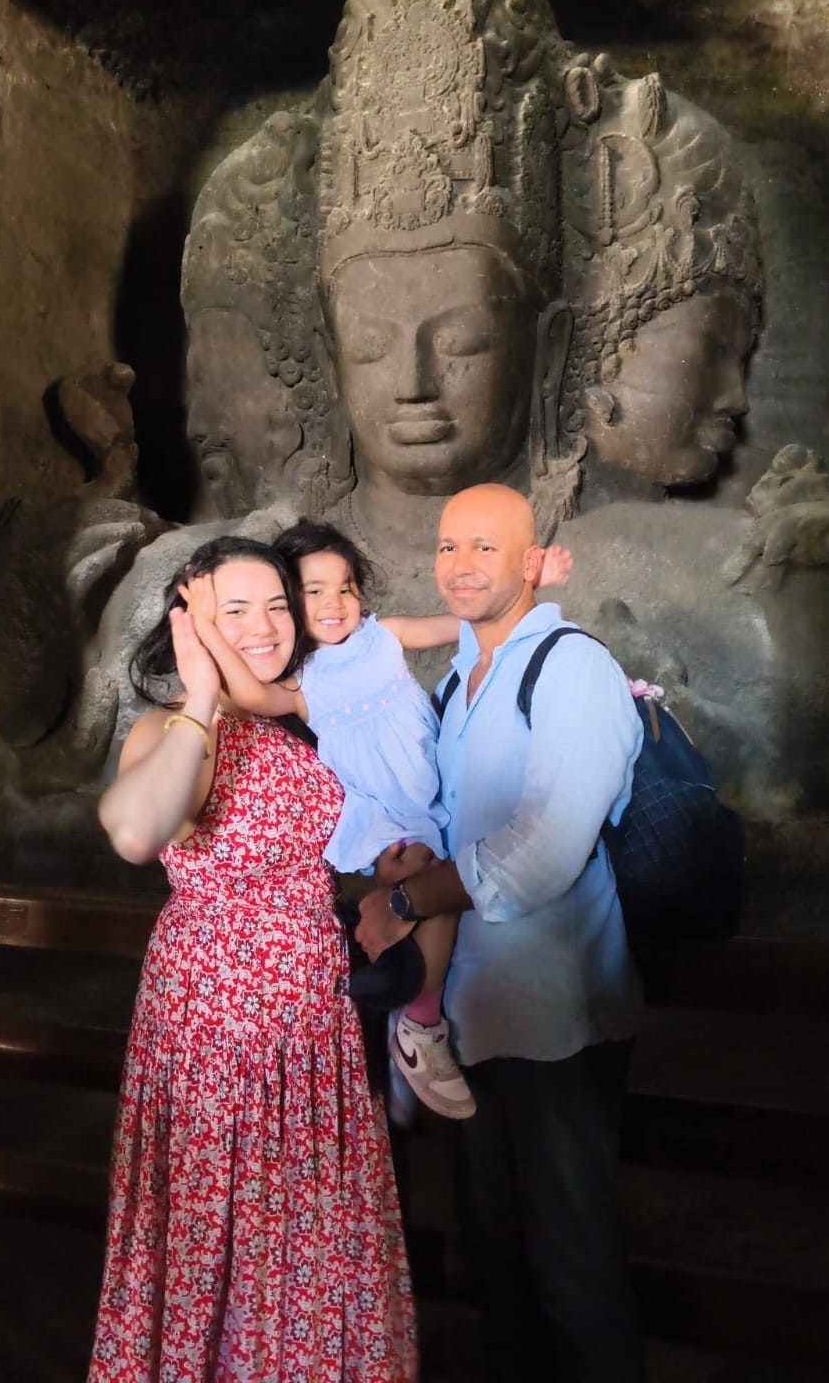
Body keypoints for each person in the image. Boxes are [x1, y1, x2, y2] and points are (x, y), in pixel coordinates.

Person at [88, 534, 416, 1383]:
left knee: (310, 1236)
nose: (266, 624)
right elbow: (132, 830)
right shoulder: (176, 729)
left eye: (277, 603)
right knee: (219, 1233)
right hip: (214, 1029)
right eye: (235, 609)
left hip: (313, 1033)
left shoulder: (301, 717)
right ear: (189, 618)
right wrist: (200, 693)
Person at [355, 484, 647, 1383]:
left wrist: (407, 904)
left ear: (531, 561)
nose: (461, 565)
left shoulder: (570, 667)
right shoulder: (458, 677)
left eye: (485, 547)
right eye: (447, 548)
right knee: (499, 1262)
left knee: (573, 1264)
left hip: (554, 1018)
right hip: (470, 1017)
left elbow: (548, 847)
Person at [178, 519, 572, 1124]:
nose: (334, 603)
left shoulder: (383, 637)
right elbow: (245, 695)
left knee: (437, 891)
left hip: (429, 798)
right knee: (428, 880)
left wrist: (527, 587)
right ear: (289, 601)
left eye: (346, 587)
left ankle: (401, 1026)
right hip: (384, 812)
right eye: (313, 591)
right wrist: (205, 623)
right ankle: (421, 1024)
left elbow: (472, 623)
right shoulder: (300, 681)